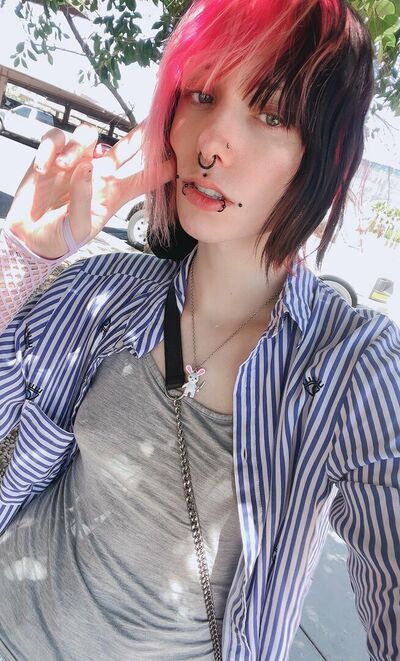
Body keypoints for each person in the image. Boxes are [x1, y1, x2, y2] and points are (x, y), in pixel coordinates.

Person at [0, 0, 399, 659]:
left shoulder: (352, 369)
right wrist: (22, 254)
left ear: (325, 157)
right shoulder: (103, 295)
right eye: (203, 94)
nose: (210, 143)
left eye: (272, 113)